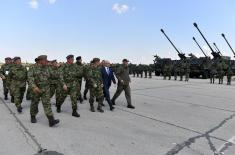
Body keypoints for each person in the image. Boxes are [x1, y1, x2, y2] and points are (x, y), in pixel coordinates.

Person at [28, 55, 59, 127]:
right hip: (36, 89)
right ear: (40, 60)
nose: (46, 61)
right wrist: (34, 87)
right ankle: (33, 116)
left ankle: (51, 120)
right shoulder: (33, 67)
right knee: (34, 103)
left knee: (47, 104)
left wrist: (56, 68)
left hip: (46, 89)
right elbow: (30, 78)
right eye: (45, 60)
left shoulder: (48, 68)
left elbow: (54, 75)